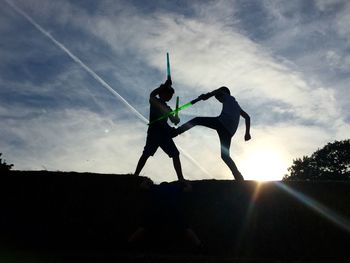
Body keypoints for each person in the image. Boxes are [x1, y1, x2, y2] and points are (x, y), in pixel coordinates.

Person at [174, 86, 251, 181]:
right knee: (225, 156)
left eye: (218, 98)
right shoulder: (236, 105)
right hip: (229, 132)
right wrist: (247, 133)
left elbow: (216, 92)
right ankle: (238, 176)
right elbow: (247, 117)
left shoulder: (225, 94)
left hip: (222, 122)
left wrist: (204, 96)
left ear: (224, 92)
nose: (218, 99)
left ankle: (176, 132)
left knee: (197, 120)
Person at [134, 79, 185, 182]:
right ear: (162, 93)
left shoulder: (168, 108)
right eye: (168, 94)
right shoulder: (155, 101)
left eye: (171, 96)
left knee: (175, 154)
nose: (170, 97)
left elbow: (173, 120)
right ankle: (135, 175)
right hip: (154, 132)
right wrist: (164, 85)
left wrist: (176, 119)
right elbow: (152, 94)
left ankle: (180, 178)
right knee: (146, 153)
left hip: (165, 133)